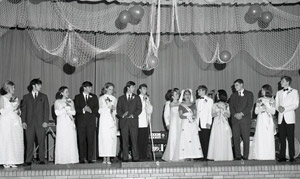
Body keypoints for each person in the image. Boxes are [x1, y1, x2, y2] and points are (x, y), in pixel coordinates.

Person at [21, 78, 50, 165]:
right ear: (34, 86)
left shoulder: (44, 96)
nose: (40, 86)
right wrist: (23, 122)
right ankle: (28, 160)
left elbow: (46, 109)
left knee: (41, 142)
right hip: (29, 123)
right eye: (39, 85)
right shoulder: (26, 97)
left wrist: (46, 121)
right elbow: (24, 110)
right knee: (29, 142)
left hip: (41, 123)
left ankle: (42, 159)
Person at [116, 81, 142, 162]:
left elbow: (139, 109)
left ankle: (135, 157)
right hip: (124, 122)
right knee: (124, 141)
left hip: (133, 122)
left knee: (134, 140)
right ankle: (125, 157)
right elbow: (118, 110)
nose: (134, 89)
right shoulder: (121, 98)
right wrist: (122, 115)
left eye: (134, 87)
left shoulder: (137, 97)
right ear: (128, 88)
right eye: (132, 87)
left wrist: (133, 115)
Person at [0, 81, 24, 168]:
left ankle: (13, 160)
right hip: (6, 122)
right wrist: (12, 107)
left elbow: (18, 112)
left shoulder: (15, 99)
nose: (14, 89)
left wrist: (18, 110)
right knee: (7, 140)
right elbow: (2, 111)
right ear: (8, 88)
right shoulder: (2, 98)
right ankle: (6, 161)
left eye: (14, 87)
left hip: (15, 122)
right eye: (12, 87)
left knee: (14, 141)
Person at [275, 76, 299, 162]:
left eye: (282, 81)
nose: (281, 82)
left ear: (287, 82)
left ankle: (292, 156)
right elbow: (276, 104)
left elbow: (295, 104)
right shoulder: (279, 92)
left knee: (290, 137)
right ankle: (282, 156)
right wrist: (279, 108)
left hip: (289, 117)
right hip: (281, 118)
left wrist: (285, 108)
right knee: (281, 138)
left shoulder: (294, 92)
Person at [74, 81, 99, 163]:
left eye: (91, 87)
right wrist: (83, 110)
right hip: (81, 122)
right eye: (89, 87)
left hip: (91, 122)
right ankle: (81, 158)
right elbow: (76, 109)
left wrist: (91, 110)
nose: (90, 88)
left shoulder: (94, 97)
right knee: (81, 140)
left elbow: (96, 108)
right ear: (84, 88)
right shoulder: (78, 97)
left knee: (90, 140)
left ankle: (90, 158)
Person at [229, 79, 254, 160]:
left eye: (236, 85)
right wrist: (235, 114)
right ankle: (238, 156)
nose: (235, 87)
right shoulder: (233, 96)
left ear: (242, 84)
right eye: (234, 85)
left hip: (245, 120)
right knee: (235, 138)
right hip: (235, 120)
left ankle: (246, 156)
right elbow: (231, 107)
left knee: (246, 138)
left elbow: (249, 106)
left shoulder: (249, 94)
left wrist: (241, 114)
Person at [250, 84, 275, 160]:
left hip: (268, 119)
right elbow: (256, 111)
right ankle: (260, 155)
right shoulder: (259, 100)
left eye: (263, 90)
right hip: (261, 119)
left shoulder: (272, 100)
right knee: (260, 137)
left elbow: (273, 111)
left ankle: (269, 156)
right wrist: (261, 109)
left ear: (267, 90)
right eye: (262, 90)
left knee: (268, 137)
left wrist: (267, 108)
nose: (262, 91)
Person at [54, 86, 79, 164]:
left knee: (70, 140)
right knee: (63, 140)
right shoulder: (57, 102)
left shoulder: (70, 101)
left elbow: (74, 112)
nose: (68, 93)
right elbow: (57, 113)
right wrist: (65, 108)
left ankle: (71, 159)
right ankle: (62, 160)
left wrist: (69, 109)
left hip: (69, 123)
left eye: (68, 92)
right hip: (62, 123)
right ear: (61, 93)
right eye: (66, 92)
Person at [207, 89, 233, 161]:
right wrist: (218, 112)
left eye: (218, 94)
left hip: (224, 124)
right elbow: (212, 114)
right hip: (217, 124)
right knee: (217, 138)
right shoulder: (215, 105)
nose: (217, 95)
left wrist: (223, 111)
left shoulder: (227, 105)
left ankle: (226, 156)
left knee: (225, 139)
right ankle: (217, 156)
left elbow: (228, 115)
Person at [177, 89, 203, 160]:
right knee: (185, 138)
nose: (187, 96)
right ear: (183, 96)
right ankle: (185, 155)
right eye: (186, 94)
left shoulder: (193, 104)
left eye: (188, 94)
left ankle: (193, 155)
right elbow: (181, 115)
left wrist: (193, 116)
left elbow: (195, 113)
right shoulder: (181, 105)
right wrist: (188, 116)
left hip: (192, 124)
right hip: (185, 124)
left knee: (193, 138)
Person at [98, 82, 118, 165]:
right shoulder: (101, 98)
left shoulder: (114, 99)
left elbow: (115, 111)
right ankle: (104, 157)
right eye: (109, 89)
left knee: (110, 139)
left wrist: (113, 110)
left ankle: (109, 157)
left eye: (112, 90)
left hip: (111, 120)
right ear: (105, 89)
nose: (111, 91)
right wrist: (107, 106)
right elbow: (99, 110)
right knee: (103, 138)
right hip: (103, 119)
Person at [162, 88, 182, 161]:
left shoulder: (181, 103)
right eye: (176, 94)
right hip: (173, 123)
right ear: (172, 96)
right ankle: (171, 156)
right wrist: (167, 124)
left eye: (178, 94)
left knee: (180, 139)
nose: (178, 95)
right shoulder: (168, 103)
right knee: (173, 138)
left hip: (180, 123)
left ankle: (180, 156)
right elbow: (166, 115)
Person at [196, 85, 213, 160]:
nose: (198, 92)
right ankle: (200, 155)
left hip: (205, 122)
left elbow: (210, 112)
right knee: (199, 139)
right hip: (198, 122)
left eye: (199, 90)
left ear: (203, 91)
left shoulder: (210, 100)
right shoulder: (197, 101)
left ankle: (206, 156)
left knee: (205, 139)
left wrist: (209, 122)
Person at [137, 84, 153, 161]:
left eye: (146, 89)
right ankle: (139, 156)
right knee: (140, 140)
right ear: (140, 90)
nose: (145, 90)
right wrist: (144, 102)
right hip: (139, 122)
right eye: (143, 88)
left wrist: (147, 102)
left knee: (145, 140)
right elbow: (139, 109)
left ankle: (144, 155)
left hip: (146, 122)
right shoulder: (137, 98)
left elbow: (150, 109)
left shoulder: (147, 98)